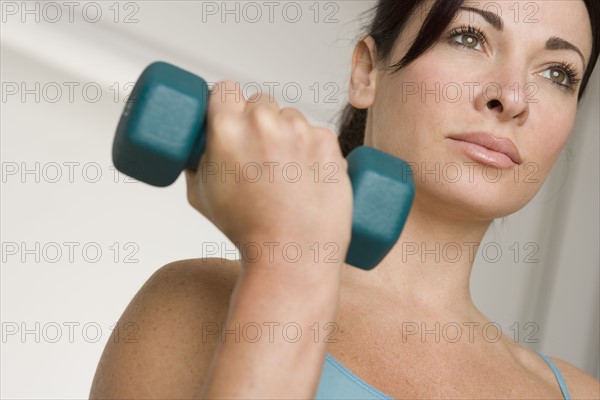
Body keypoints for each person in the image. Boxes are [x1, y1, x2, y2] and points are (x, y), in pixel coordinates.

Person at [90, 0, 600, 398]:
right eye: (469, 37)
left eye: (558, 74)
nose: (511, 97)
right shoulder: (195, 302)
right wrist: (290, 266)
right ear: (366, 73)